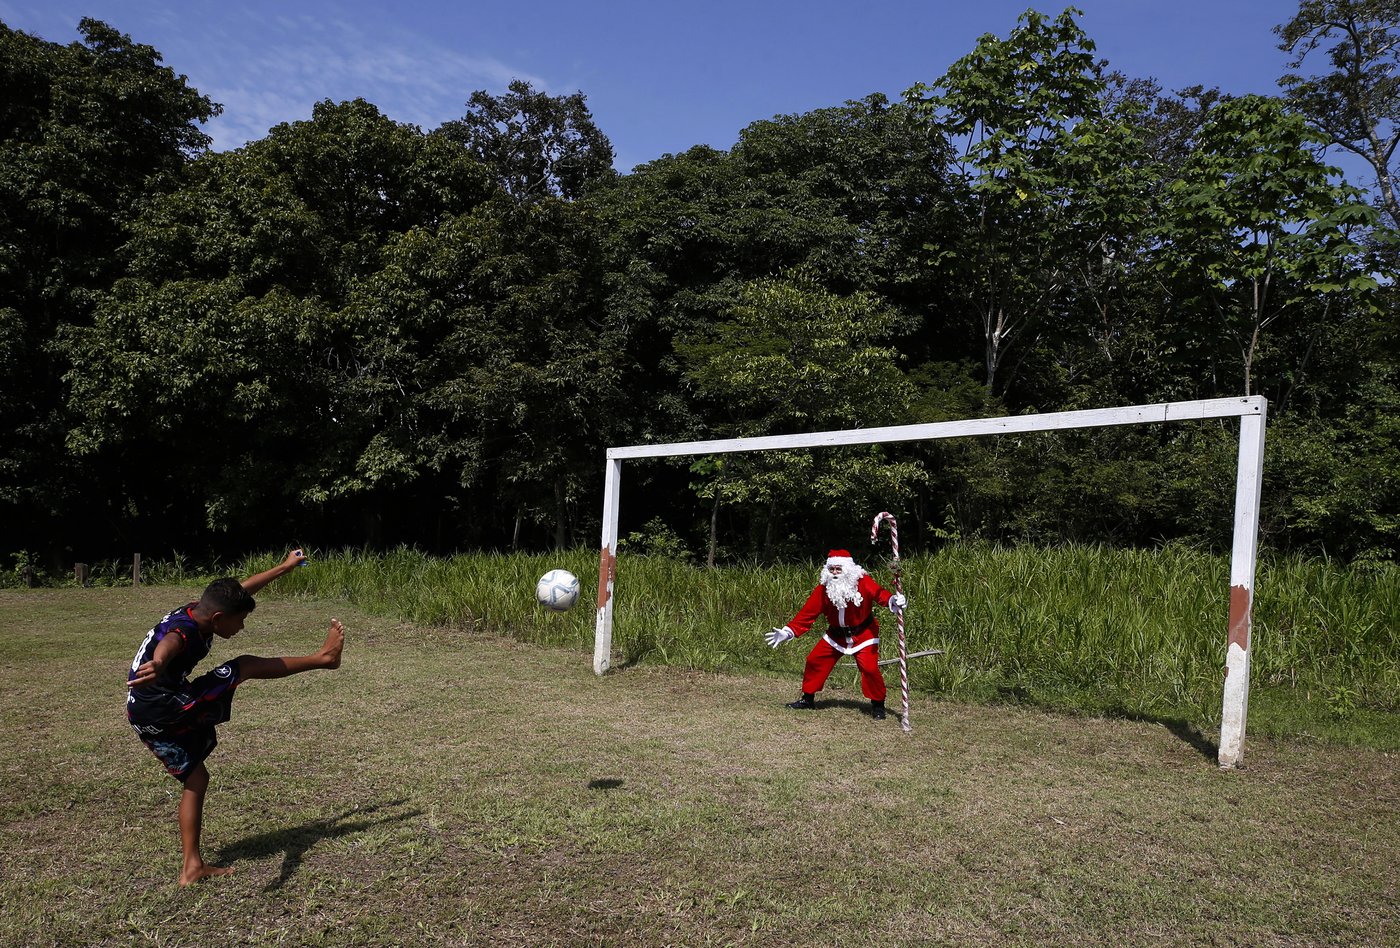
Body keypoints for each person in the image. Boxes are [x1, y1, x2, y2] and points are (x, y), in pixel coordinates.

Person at [125, 548, 345, 886]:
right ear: (217, 620)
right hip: (166, 705)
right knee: (243, 665)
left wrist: (284, 568)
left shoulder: (201, 610)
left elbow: (242, 590)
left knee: (196, 779)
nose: (242, 625)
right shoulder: (184, 631)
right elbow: (169, 642)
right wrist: (158, 661)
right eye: (240, 620)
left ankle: (191, 868)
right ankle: (325, 658)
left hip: (142, 712)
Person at [765, 549, 906, 719]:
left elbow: (879, 593)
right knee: (814, 660)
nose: (835, 573)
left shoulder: (863, 582)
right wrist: (788, 632)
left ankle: (877, 705)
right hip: (835, 636)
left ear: (847, 569)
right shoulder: (824, 589)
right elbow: (807, 614)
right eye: (831, 570)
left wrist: (893, 600)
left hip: (864, 634)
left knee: (869, 668)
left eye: (838, 569)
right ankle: (807, 699)